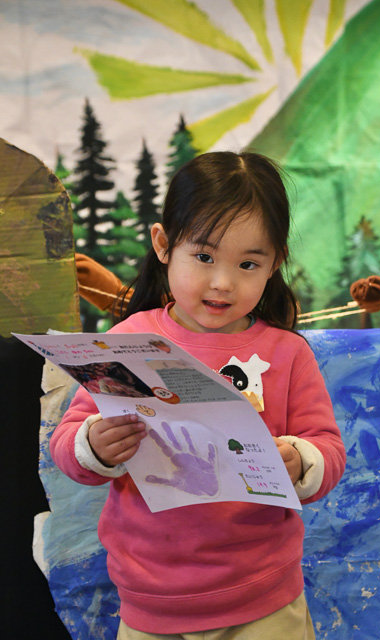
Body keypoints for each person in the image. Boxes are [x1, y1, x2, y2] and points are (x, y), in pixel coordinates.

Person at [50, 151, 346, 640]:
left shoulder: (287, 353)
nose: (222, 283)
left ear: (275, 263)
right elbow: (68, 447)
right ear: (164, 245)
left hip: (264, 602)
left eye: (248, 264)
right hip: (150, 602)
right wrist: (95, 445)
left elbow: (328, 450)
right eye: (204, 257)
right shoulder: (127, 343)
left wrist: (300, 460)